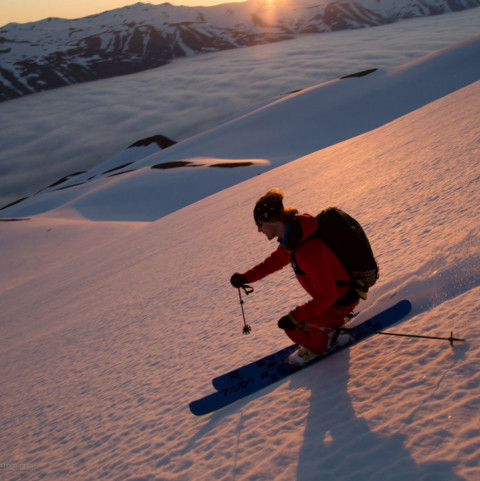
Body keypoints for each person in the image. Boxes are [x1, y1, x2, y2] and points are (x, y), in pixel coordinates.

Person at [230, 188, 359, 367]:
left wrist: (294, 318)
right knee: (297, 320)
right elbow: (274, 262)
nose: (259, 230)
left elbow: (327, 296)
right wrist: (245, 278)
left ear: (272, 220)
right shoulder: (294, 236)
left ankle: (324, 344)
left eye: (259, 223)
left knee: (291, 327)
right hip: (338, 296)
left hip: (339, 300)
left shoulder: (307, 249)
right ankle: (329, 325)